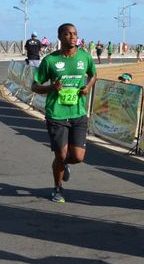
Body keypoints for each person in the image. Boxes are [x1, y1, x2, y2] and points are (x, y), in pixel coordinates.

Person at [31, 23, 97, 203]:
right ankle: (58, 188)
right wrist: (51, 87)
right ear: (60, 37)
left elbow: (93, 75)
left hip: (78, 113)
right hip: (56, 114)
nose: (72, 37)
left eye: (75, 33)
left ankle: (64, 165)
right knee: (60, 155)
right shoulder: (50, 60)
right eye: (68, 34)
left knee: (78, 157)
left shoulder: (85, 57)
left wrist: (87, 87)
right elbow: (34, 86)